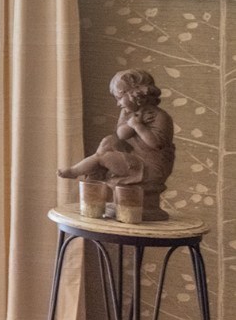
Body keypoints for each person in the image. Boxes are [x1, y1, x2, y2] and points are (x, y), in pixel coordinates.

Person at [58, 69, 175, 218]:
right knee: (109, 141)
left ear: (136, 95)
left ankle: (77, 172)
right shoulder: (127, 113)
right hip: (134, 156)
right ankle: (89, 178)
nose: (118, 104)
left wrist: (139, 126)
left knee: (104, 157)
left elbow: (156, 144)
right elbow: (121, 135)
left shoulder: (160, 117)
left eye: (120, 98)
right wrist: (132, 123)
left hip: (149, 166)